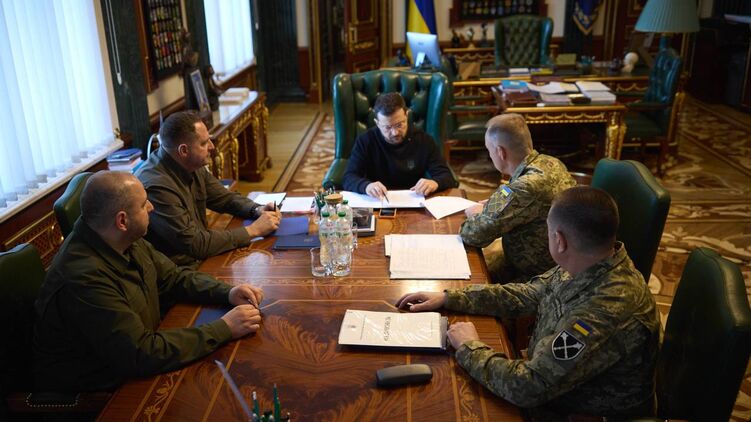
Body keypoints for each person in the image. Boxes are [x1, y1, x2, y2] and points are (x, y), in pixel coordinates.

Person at [397, 186, 660, 419]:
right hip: (555, 387)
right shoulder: (591, 262)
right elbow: (529, 293)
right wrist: (449, 297)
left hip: (580, 412)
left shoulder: (604, 310)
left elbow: (529, 387)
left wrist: (469, 347)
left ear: (559, 240)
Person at [34, 171, 264, 393]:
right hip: (105, 389)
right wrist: (224, 328)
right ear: (122, 220)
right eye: (144, 204)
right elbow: (140, 353)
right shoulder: (83, 277)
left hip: (140, 353)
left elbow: (173, 277)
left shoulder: (119, 236)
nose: (152, 207)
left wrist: (227, 292)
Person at [136, 110, 281, 267]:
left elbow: (225, 198)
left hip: (200, 256)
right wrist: (253, 230)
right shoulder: (157, 187)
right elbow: (195, 244)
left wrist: (256, 209)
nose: (212, 146)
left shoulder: (190, 163)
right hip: (180, 270)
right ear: (183, 150)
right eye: (204, 143)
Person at [461, 113, 576, 282]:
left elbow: (473, 234)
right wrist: (493, 205)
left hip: (538, 276)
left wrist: (476, 214)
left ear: (500, 152)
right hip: (562, 259)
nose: (490, 156)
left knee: (469, 277)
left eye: (489, 150)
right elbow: (511, 199)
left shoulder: (523, 187)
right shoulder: (551, 162)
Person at [342, 92, 457, 198]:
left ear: (406, 115)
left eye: (399, 125)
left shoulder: (424, 140)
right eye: (388, 127)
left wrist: (435, 182)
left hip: (413, 201)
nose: (395, 133)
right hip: (378, 200)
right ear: (377, 123)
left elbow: (447, 177)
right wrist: (366, 186)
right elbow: (349, 177)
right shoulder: (365, 141)